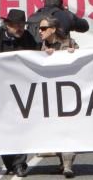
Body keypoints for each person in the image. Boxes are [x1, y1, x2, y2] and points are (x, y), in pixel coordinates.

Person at [0, 9, 39, 176]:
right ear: (6, 25)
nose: (19, 28)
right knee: (3, 128)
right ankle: (11, 163)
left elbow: (36, 57)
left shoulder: (28, 38)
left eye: (22, 25)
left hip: (20, 91)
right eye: (16, 25)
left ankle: (19, 163)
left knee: (19, 125)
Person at [36, 16, 79, 177]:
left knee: (68, 128)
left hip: (68, 94)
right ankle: (62, 163)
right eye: (39, 28)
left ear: (53, 29)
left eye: (43, 28)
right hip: (51, 95)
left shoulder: (69, 43)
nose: (40, 31)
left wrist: (72, 53)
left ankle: (68, 165)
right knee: (56, 130)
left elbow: (83, 61)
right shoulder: (43, 45)